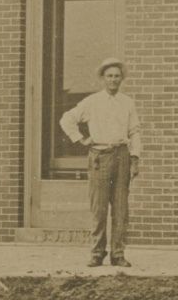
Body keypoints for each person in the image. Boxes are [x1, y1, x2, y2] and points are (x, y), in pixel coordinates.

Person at [59, 57, 141, 267]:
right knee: (99, 207)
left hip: (121, 155)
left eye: (117, 76)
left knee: (121, 208)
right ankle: (97, 252)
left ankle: (118, 253)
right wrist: (81, 139)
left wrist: (135, 158)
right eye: (109, 76)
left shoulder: (127, 102)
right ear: (103, 79)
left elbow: (134, 131)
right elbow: (67, 119)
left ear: (122, 79)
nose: (113, 80)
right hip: (100, 156)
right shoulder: (92, 102)